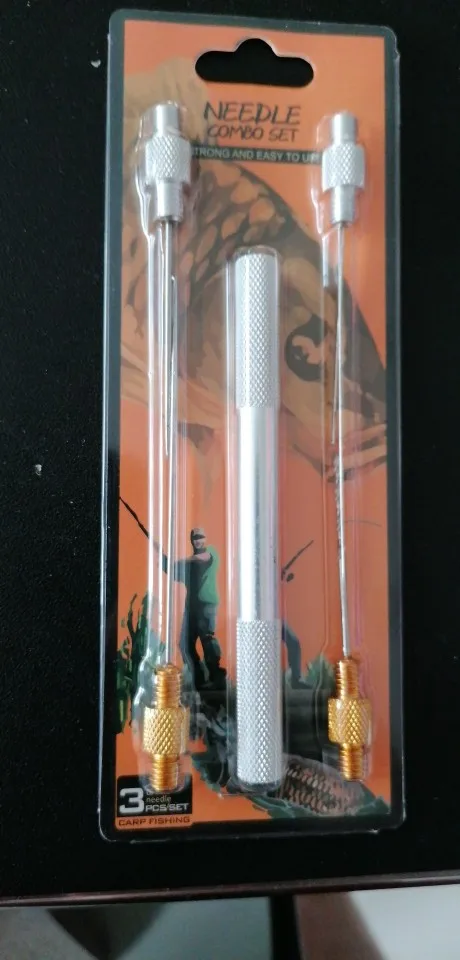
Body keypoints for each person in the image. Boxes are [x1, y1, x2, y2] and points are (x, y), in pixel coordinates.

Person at [161, 528, 225, 689]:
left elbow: (198, 559)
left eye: (201, 537)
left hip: (207, 605)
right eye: (195, 538)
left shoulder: (211, 554)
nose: (198, 540)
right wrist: (165, 562)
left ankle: (217, 677)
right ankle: (199, 680)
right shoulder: (188, 565)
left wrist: (175, 563)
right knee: (185, 644)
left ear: (206, 538)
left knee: (207, 640)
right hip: (191, 608)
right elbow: (174, 572)